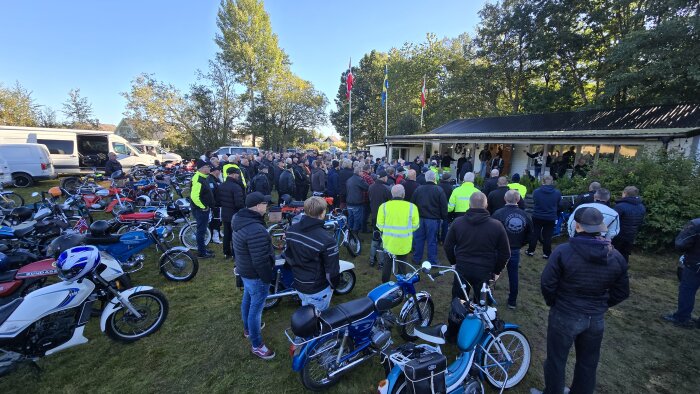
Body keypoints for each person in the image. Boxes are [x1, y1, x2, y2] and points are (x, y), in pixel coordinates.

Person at [535, 207, 629, 394]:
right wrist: (601, 304)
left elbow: (547, 284)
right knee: (588, 363)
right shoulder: (616, 256)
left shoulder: (563, 251)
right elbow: (621, 291)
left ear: (577, 226)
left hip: (565, 314)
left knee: (556, 360)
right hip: (593, 318)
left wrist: (555, 302)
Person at [444, 192, 510, 300]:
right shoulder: (496, 225)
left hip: (463, 268)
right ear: (486, 205)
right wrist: (497, 271)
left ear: (469, 205)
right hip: (485, 270)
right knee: (482, 305)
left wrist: (454, 263)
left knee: (459, 304)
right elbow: (505, 253)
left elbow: (448, 246)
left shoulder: (457, 222)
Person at [233, 192, 275, 360]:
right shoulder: (256, 229)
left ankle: (248, 330)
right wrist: (267, 278)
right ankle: (257, 345)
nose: (267, 207)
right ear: (258, 206)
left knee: (248, 300)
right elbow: (260, 260)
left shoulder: (239, 218)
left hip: (245, 270)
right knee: (256, 310)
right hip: (255, 274)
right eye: (265, 204)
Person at [284, 197, 340, 312]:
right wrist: (334, 286)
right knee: (318, 322)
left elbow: (288, 256)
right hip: (317, 289)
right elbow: (332, 273)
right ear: (322, 212)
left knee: (308, 315)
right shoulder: (327, 240)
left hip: (299, 283)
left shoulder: (291, 230)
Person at [493, 190, 532, 309]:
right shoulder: (526, 215)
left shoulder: (497, 214)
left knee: (492, 273)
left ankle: (486, 297)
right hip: (514, 250)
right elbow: (530, 236)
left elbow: (491, 233)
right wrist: (520, 244)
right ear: (518, 200)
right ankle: (512, 301)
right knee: (513, 274)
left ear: (505, 199)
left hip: (499, 250)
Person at [662, 217, 700, 328]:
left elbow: (681, 243)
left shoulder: (696, 224)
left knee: (687, 290)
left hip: (695, 263)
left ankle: (682, 317)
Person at [376, 184, 420, 275]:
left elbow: (379, 225)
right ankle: (402, 285)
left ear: (392, 194)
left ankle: (386, 285)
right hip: (404, 242)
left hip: (389, 242)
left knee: (387, 264)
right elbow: (416, 226)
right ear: (403, 194)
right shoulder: (412, 207)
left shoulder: (383, 206)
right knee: (402, 264)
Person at [411, 171, 447, 264]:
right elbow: (444, 206)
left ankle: (417, 258)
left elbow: (413, 203)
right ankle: (432, 260)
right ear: (434, 179)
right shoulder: (439, 190)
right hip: (433, 220)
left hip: (420, 218)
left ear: (426, 178)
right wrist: (444, 217)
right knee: (432, 241)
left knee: (419, 239)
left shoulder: (419, 189)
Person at [526, 175, 561, 259]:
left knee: (535, 233)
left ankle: (530, 251)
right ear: (552, 182)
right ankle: (547, 253)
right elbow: (558, 204)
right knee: (547, 236)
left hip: (537, 215)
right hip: (550, 217)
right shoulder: (557, 192)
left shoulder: (536, 191)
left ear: (543, 182)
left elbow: (535, 201)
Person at [216, 166, 246, 259]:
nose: (238, 175)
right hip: (235, 215)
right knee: (235, 235)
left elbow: (218, 201)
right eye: (237, 174)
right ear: (233, 174)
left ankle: (226, 252)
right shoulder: (236, 187)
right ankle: (235, 253)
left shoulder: (221, 185)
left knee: (226, 234)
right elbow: (239, 203)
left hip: (225, 214)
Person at [612, 186, 647, 262]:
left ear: (624, 193)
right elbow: (641, 221)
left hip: (618, 235)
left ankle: (614, 270)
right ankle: (624, 271)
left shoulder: (619, 206)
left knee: (614, 254)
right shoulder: (642, 207)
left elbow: (612, 220)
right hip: (632, 234)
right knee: (625, 254)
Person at [190, 160, 215, 259]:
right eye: (207, 167)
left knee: (203, 230)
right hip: (200, 210)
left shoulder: (203, 177)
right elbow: (194, 197)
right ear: (202, 168)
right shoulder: (198, 179)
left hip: (203, 209)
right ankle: (202, 253)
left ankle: (202, 248)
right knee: (201, 231)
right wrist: (203, 207)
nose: (209, 168)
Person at [368, 169, 392, 268]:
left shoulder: (371, 187)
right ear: (384, 177)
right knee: (383, 240)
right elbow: (391, 203)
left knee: (375, 238)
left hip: (374, 216)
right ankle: (382, 262)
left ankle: (371, 259)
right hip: (384, 218)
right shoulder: (386, 188)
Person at [345, 166, 369, 235]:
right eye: (362, 171)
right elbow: (367, 187)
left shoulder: (349, 179)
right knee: (357, 220)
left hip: (349, 202)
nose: (363, 173)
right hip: (357, 203)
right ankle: (355, 237)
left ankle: (349, 234)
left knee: (350, 219)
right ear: (359, 172)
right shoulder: (359, 180)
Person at [208, 165, 223, 244]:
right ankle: (214, 237)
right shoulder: (210, 180)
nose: (220, 172)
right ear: (214, 171)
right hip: (215, 205)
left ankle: (218, 233)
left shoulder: (216, 179)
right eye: (219, 170)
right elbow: (211, 194)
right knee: (215, 221)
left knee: (219, 220)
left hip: (219, 204)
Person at [438, 173, 454, 243]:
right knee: (445, 225)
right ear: (448, 179)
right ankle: (443, 240)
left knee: (437, 225)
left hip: (438, 208)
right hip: (446, 208)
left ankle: (437, 238)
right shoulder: (450, 187)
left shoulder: (438, 186)